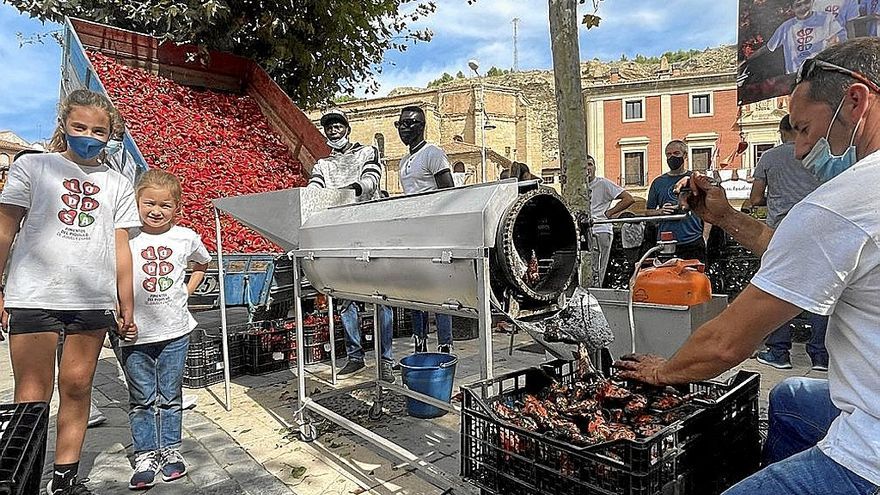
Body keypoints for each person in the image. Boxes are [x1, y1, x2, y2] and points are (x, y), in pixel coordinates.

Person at [616, 38, 880, 494]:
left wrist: (665, 371)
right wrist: (723, 216)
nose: (798, 151)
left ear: (855, 101)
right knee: (789, 394)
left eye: (802, 129)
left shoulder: (843, 203)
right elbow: (795, 252)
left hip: (871, 452)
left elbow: (724, 344)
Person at [0, 89, 141, 495]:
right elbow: (5, 227)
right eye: (79, 127)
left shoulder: (116, 183)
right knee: (31, 396)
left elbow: (120, 248)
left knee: (78, 387)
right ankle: (21, 482)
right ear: (63, 125)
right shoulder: (34, 168)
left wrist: (125, 303)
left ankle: (64, 480)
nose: (89, 136)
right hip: (34, 294)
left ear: (110, 134)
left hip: (91, 300)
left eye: (99, 130)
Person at [119, 170, 210, 489]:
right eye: (149, 203)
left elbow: (203, 263)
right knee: (142, 398)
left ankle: (171, 451)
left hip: (175, 332)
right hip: (134, 335)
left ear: (178, 208)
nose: (156, 211)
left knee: (170, 395)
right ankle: (145, 454)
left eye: (165, 205)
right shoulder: (126, 236)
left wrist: (189, 289)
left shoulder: (186, 237)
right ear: (136, 203)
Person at [308, 109, 395, 381]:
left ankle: (386, 360)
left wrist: (353, 190)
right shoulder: (322, 164)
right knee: (345, 297)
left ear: (347, 128)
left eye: (337, 126)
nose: (333, 130)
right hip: (340, 233)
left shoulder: (367, 153)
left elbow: (371, 180)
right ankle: (355, 356)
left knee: (382, 296)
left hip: (369, 228)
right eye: (329, 127)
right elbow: (315, 189)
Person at [749, 115, 829, 371]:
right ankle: (820, 356)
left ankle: (778, 351)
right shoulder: (819, 155)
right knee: (819, 292)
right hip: (817, 228)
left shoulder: (769, 157)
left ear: (782, 130)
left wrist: (775, 196)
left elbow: (755, 198)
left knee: (778, 289)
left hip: (781, 231)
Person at [395, 105, 454, 353]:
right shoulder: (403, 161)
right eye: (401, 124)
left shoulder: (433, 154)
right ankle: (419, 344)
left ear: (422, 126)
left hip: (435, 231)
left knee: (438, 290)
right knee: (415, 291)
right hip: (413, 232)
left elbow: (449, 192)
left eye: (411, 123)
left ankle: (444, 346)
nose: (405, 129)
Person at [646, 140, 708, 263]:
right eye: (668, 154)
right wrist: (660, 212)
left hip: (693, 240)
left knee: (695, 280)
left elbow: (707, 211)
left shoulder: (696, 180)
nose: (672, 157)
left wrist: (705, 237)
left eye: (676, 153)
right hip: (665, 243)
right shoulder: (658, 182)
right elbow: (648, 212)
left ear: (685, 155)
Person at [743, 0, 845, 75]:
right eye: (798, 5)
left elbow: (836, 42)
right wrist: (748, 59)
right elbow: (769, 47)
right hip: (796, 75)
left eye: (806, 2)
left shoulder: (826, 18)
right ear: (792, 8)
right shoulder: (786, 27)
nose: (803, 7)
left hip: (820, 71)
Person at [586, 155, 634, 287]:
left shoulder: (603, 183)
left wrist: (610, 213)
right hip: (585, 230)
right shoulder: (577, 187)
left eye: (590, 164)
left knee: (599, 267)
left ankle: (597, 291)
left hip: (601, 229)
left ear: (595, 167)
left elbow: (628, 198)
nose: (587, 168)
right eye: (584, 165)